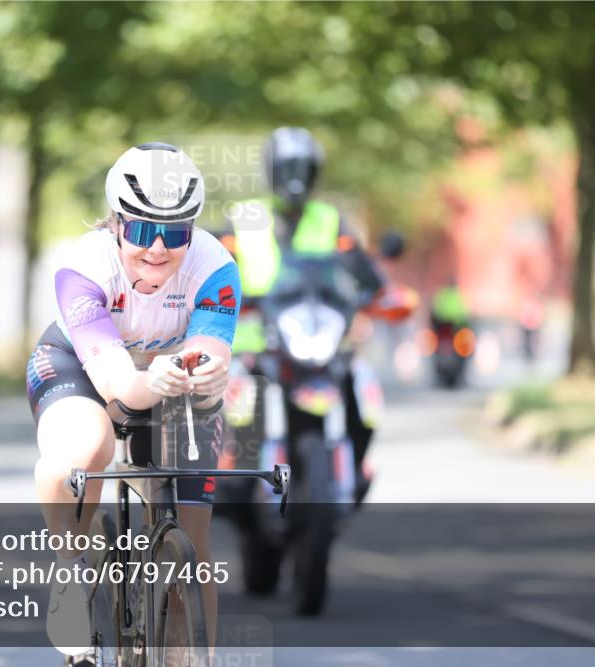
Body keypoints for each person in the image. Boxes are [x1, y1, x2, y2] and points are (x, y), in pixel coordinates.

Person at [28, 142, 239, 655]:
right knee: (84, 447)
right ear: (116, 222)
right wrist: (155, 380)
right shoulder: (82, 267)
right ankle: (71, 572)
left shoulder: (215, 266)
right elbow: (119, 386)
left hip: (171, 376)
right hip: (82, 367)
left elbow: (211, 349)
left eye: (176, 233)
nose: (159, 249)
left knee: (195, 543)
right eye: (144, 230)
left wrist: (209, 373)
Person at [219, 127, 402, 496]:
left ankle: (355, 466)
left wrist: (380, 291)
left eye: (302, 169)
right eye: (287, 169)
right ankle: (233, 475)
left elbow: (357, 264)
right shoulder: (244, 217)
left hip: (317, 339)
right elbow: (215, 264)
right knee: (239, 408)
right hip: (256, 341)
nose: (295, 179)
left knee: (357, 377)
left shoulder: (329, 220)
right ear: (271, 171)